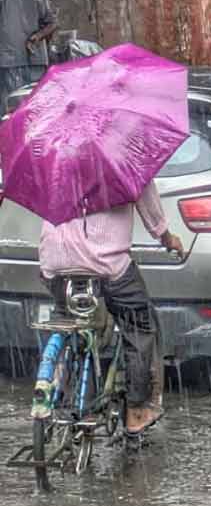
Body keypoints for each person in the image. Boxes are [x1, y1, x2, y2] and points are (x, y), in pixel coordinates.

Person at [38, 183, 184, 435]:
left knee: (68, 318)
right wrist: (166, 238)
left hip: (55, 263)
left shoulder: (55, 152)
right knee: (138, 323)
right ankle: (137, 410)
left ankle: (58, 385)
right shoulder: (123, 156)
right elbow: (150, 209)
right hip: (106, 264)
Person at [0, 0, 57, 114]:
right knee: (37, 112)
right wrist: (37, 36)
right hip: (36, 60)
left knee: (14, 114)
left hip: (9, 62)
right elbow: (52, 22)